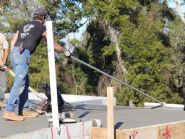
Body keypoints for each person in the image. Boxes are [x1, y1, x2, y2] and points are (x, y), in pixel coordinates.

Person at [3, 8, 69, 121]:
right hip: (23, 53)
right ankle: (9, 110)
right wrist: (64, 50)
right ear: (43, 18)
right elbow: (52, 44)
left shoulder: (24, 25)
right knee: (20, 81)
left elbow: (13, 41)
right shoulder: (42, 27)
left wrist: (15, 55)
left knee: (25, 82)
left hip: (16, 52)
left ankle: (23, 110)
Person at [0, 33, 9, 108]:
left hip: (1, 63)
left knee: (2, 82)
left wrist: (4, 60)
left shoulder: (1, 36)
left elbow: (6, 48)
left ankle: (1, 100)